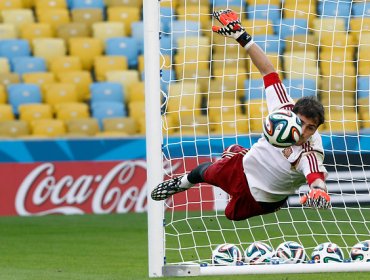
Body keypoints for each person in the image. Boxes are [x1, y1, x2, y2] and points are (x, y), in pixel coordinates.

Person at [151, 9, 331, 221]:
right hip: (243, 168)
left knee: (231, 215)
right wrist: (241, 36)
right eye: (301, 122)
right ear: (292, 113)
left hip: (264, 197)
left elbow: (315, 175)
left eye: (311, 128)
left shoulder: (311, 151)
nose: (303, 131)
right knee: (202, 172)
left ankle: (235, 152)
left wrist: (319, 190)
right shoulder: (283, 108)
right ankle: (180, 183)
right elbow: (268, 71)